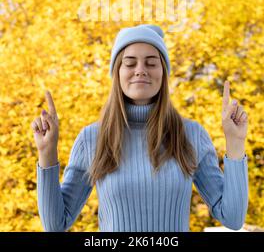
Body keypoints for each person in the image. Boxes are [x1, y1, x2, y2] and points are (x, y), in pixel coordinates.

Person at [32, 24, 248, 232]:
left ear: (163, 73)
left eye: (151, 63)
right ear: (117, 72)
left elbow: (233, 217)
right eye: (130, 63)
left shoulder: (192, 135)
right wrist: (47, 152)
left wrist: (235, 142)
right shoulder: (92, 138)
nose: (141, 70)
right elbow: (55, 224)